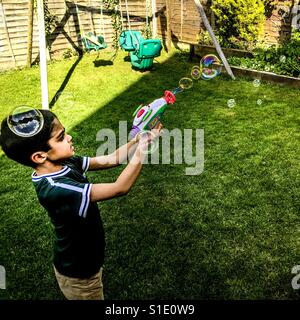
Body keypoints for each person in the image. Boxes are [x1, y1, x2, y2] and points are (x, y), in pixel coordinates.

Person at [0, 108, 162, 300]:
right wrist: (142, 150)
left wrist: (138, 140)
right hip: (79, 273)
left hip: (86, 259)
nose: (69, 137)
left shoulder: (66, 162)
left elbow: (112, 159)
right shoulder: (56, 188)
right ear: (40, 156)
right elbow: (120, 187)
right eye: (60, 137)